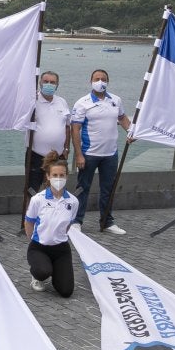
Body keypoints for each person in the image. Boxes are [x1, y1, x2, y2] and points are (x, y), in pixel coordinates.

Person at [71, 68, 131, 235]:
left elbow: (122, 118)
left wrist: (131, 132)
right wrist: (78, 155)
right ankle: (76, 221)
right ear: (91, 81)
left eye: (103, 79)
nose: (100, 82)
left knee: (108, 189)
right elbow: (75, 129)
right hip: (88, 154)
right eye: (97, 79)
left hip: (110, 154)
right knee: (82, 188)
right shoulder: (82, 103)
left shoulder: (116, 100)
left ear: (108, 81)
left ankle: (107, 222)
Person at [23, 153, 78, 297]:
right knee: (43, 271)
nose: (58, 178)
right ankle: (38, 275)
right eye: (55, 175)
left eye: (62, 175)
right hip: (39, 247)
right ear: (48, 176)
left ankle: (55, 269)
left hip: (61, 249)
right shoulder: (38, 199)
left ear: (66, 176)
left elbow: (68, 225)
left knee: (66, 291)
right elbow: (28, 222)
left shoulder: (73, 202)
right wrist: (34, 240)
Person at [27, 71, 73, 192]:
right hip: (36, 155)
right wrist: (29, 99)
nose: (49, 84)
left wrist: (66, 148)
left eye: (52, 82)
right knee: (31, 190)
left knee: (56, 189)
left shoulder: (62, 102)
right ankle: (30, 205)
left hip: (58, 156)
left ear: (57, 85)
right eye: (46, 81)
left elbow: (67, 126)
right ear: (40, 83)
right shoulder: (31, 101)